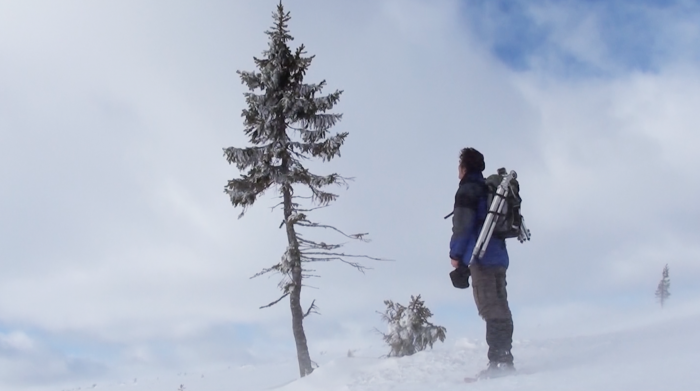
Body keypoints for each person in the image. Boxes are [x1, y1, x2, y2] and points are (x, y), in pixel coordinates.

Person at [449, 147, 515, 378]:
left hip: (481, 257)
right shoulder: (490, 189)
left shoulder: (468, 190)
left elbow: (462, 226)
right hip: (498, 257)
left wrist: (455, 255)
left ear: (464, 167)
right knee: (500, 305)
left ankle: (499, 362)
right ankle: (504, 357)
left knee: (490, 307)